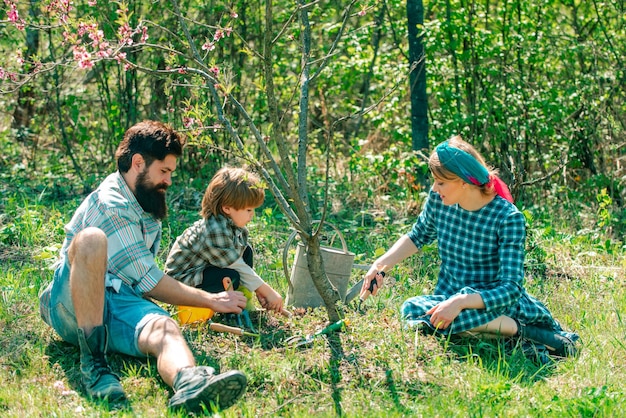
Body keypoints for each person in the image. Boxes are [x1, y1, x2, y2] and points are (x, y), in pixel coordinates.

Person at [39, 120, 249, 413]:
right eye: (164, 171)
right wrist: (213, 299)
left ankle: (189, 384)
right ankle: (94, 365)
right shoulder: (112, 203)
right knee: (91, 240)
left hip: (119, 301)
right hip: (71, 303)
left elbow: (141, 283)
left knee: (164, 327)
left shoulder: (141, 200)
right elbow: (150, 281)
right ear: (138, 163)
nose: (169, 180)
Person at [361, 135, 579, 363]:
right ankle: (509, 335)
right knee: (411, 309)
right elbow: (417, 236)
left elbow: (511, 289)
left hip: (494, 303)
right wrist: (380, 265)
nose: (434, 188)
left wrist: (460, 302)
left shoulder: (507, 218)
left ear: (464, 181)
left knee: (438, 322)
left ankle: (531, 333)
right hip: (449, 295)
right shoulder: (439, 202)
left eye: (441, 182)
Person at [164, 167, 284, 323]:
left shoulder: (233, 226)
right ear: (226, 208)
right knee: (231, 275)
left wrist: (258, 290)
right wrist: (265, 290)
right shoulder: (213, 230)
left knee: (246, 251)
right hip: (180, 285)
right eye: (248, 209)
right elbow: (236, 266)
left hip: (203, 271)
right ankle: (231, 310)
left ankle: (242, 301)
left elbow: (239, 260)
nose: (252, 214)